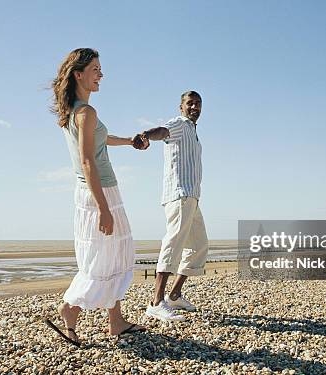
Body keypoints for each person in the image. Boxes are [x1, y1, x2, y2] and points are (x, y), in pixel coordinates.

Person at [45, 48, 148, 346]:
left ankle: (115, 321)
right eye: (95, 69)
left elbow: (100, 140)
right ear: (79, 74)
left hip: (94, 191)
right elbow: (88, 160)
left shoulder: (76, 112)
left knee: (113, 254)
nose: (101, 74)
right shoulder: (86, 112)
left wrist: (129, 141)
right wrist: (103, 208)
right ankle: (71, 308)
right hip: (99, 192)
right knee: (104, 260)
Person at [139, 91, 209, 322]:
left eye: (198, 103)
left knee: (199, 246)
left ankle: (175, 294)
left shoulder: (193, 131)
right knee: (173, 243)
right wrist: (146, 134)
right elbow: (163, 131)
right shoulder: (180, 124)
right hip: (179, 195)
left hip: (192, 197)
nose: (194, 107)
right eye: (190, 103)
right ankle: (156, 302)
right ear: (181, 107)